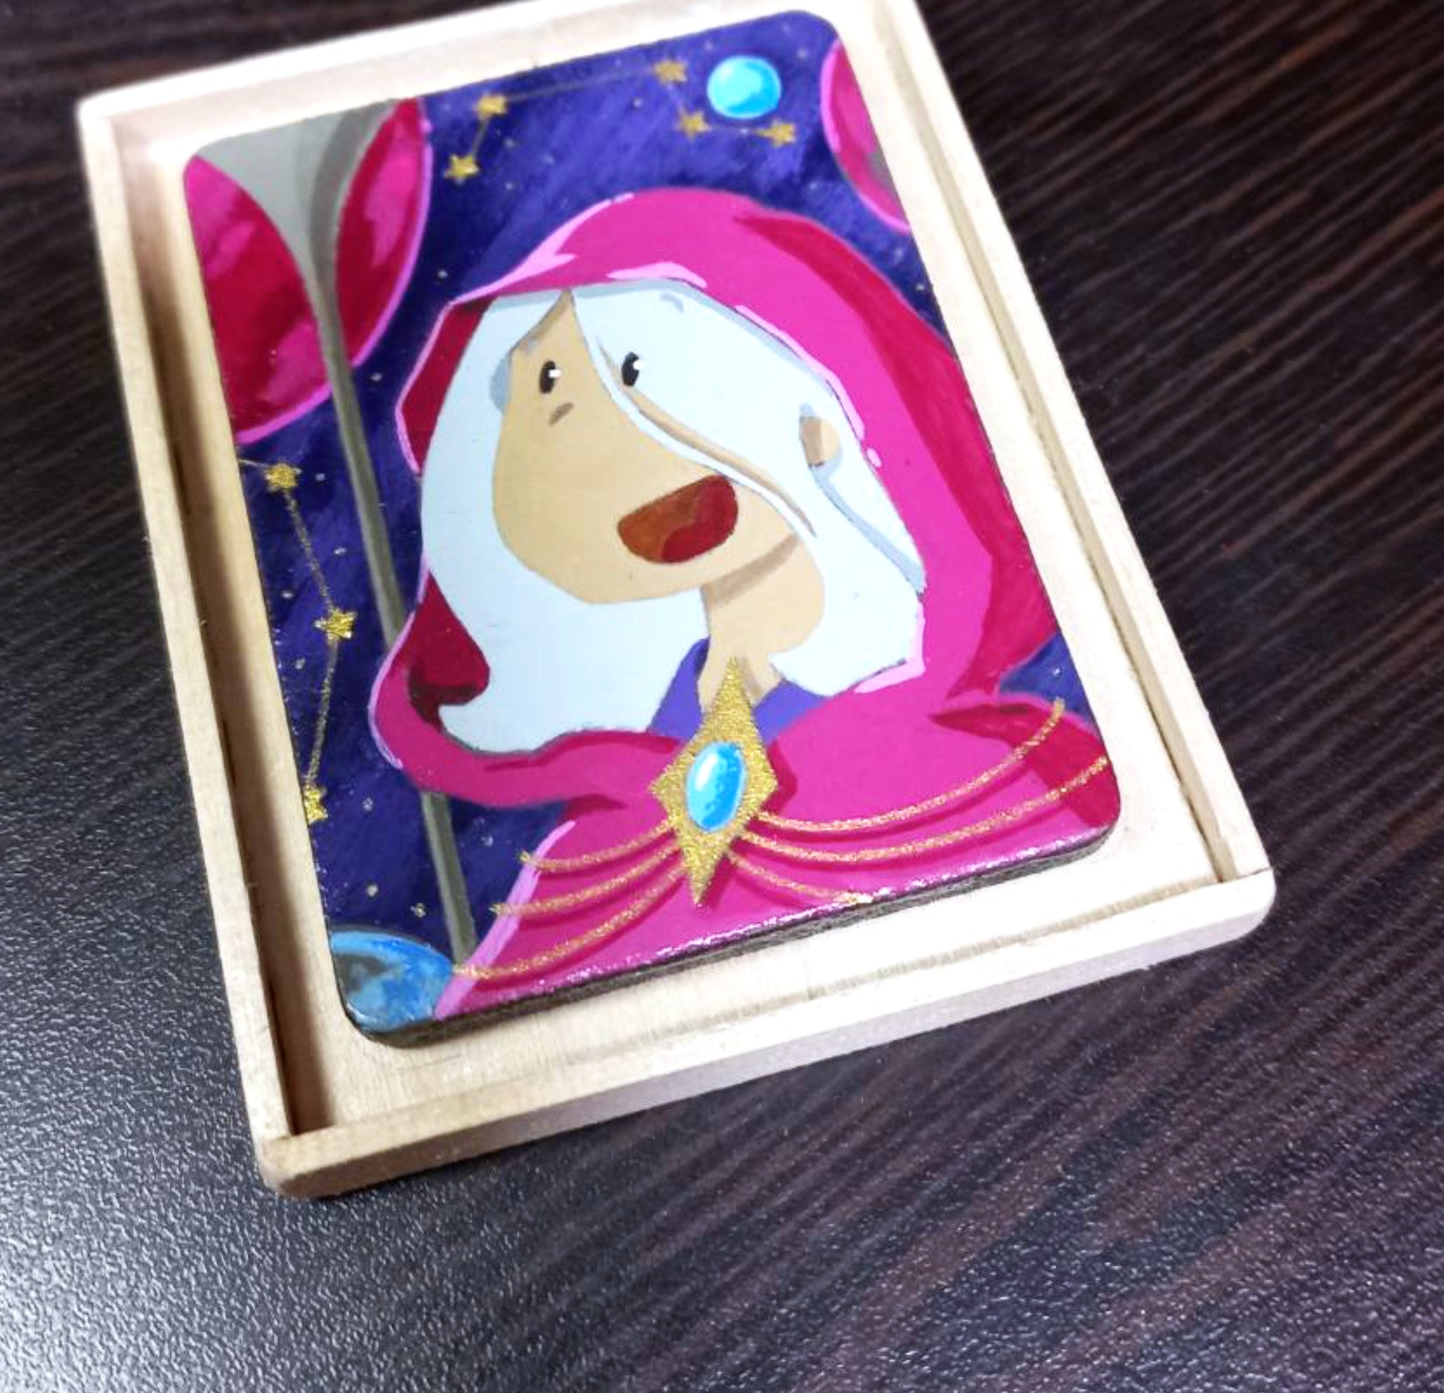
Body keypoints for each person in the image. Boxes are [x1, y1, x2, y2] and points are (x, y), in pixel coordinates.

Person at [372, 187, 1118, 1019]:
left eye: (633, 371)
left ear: (818, 418)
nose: (605, 450)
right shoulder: (595, 857)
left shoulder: (991, 777)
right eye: (544, 389)